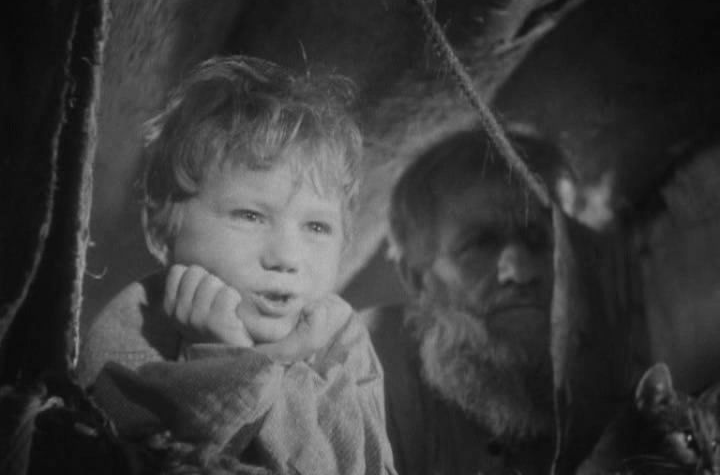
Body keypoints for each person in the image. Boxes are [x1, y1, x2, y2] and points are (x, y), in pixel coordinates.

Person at [81, 55, 396, 475]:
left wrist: (275, 359)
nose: (285, 258)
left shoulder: (340, 335)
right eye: (250, 216)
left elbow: (352, 466)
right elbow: (138, 459)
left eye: (317, 227)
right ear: (161, 224)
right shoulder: (134, 324)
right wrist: (221, 358)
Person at [361, 127, 576, 475]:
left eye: (540, 239)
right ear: (416, 277)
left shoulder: (621, 363)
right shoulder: (366, 368)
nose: (521, 272)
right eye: (480, 244)